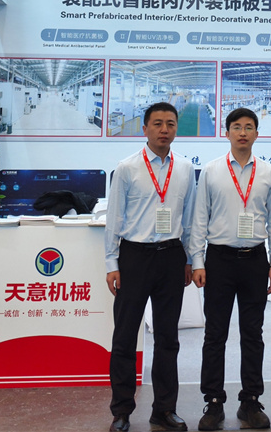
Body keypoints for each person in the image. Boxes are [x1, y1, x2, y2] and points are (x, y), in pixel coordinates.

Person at [188, 108, 271, 431]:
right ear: (226, 132)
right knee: (215, 334)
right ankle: (214, 401)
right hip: (219, 260)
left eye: (249, 127)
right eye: (237, 127)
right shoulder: (212, 171)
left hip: (255, 260)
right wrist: (198, 261)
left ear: (257, 133)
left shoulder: (268, 173)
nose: (243, 132)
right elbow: (199, 218)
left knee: (252, 334)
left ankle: (250, 401)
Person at [104, 103, 197, 432]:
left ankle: (164, 409)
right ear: (144, 129)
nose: (164, 130)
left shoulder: (185, 168)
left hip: (171, 256)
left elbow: (189, 218)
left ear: (176, 129)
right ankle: (121, 411)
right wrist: (112, 263)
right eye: (157, 124)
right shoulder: (127, 168)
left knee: (168, 338)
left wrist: (189, 259)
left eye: (170, 124)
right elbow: (114, 218)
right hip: (134, 257)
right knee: (125, 337)